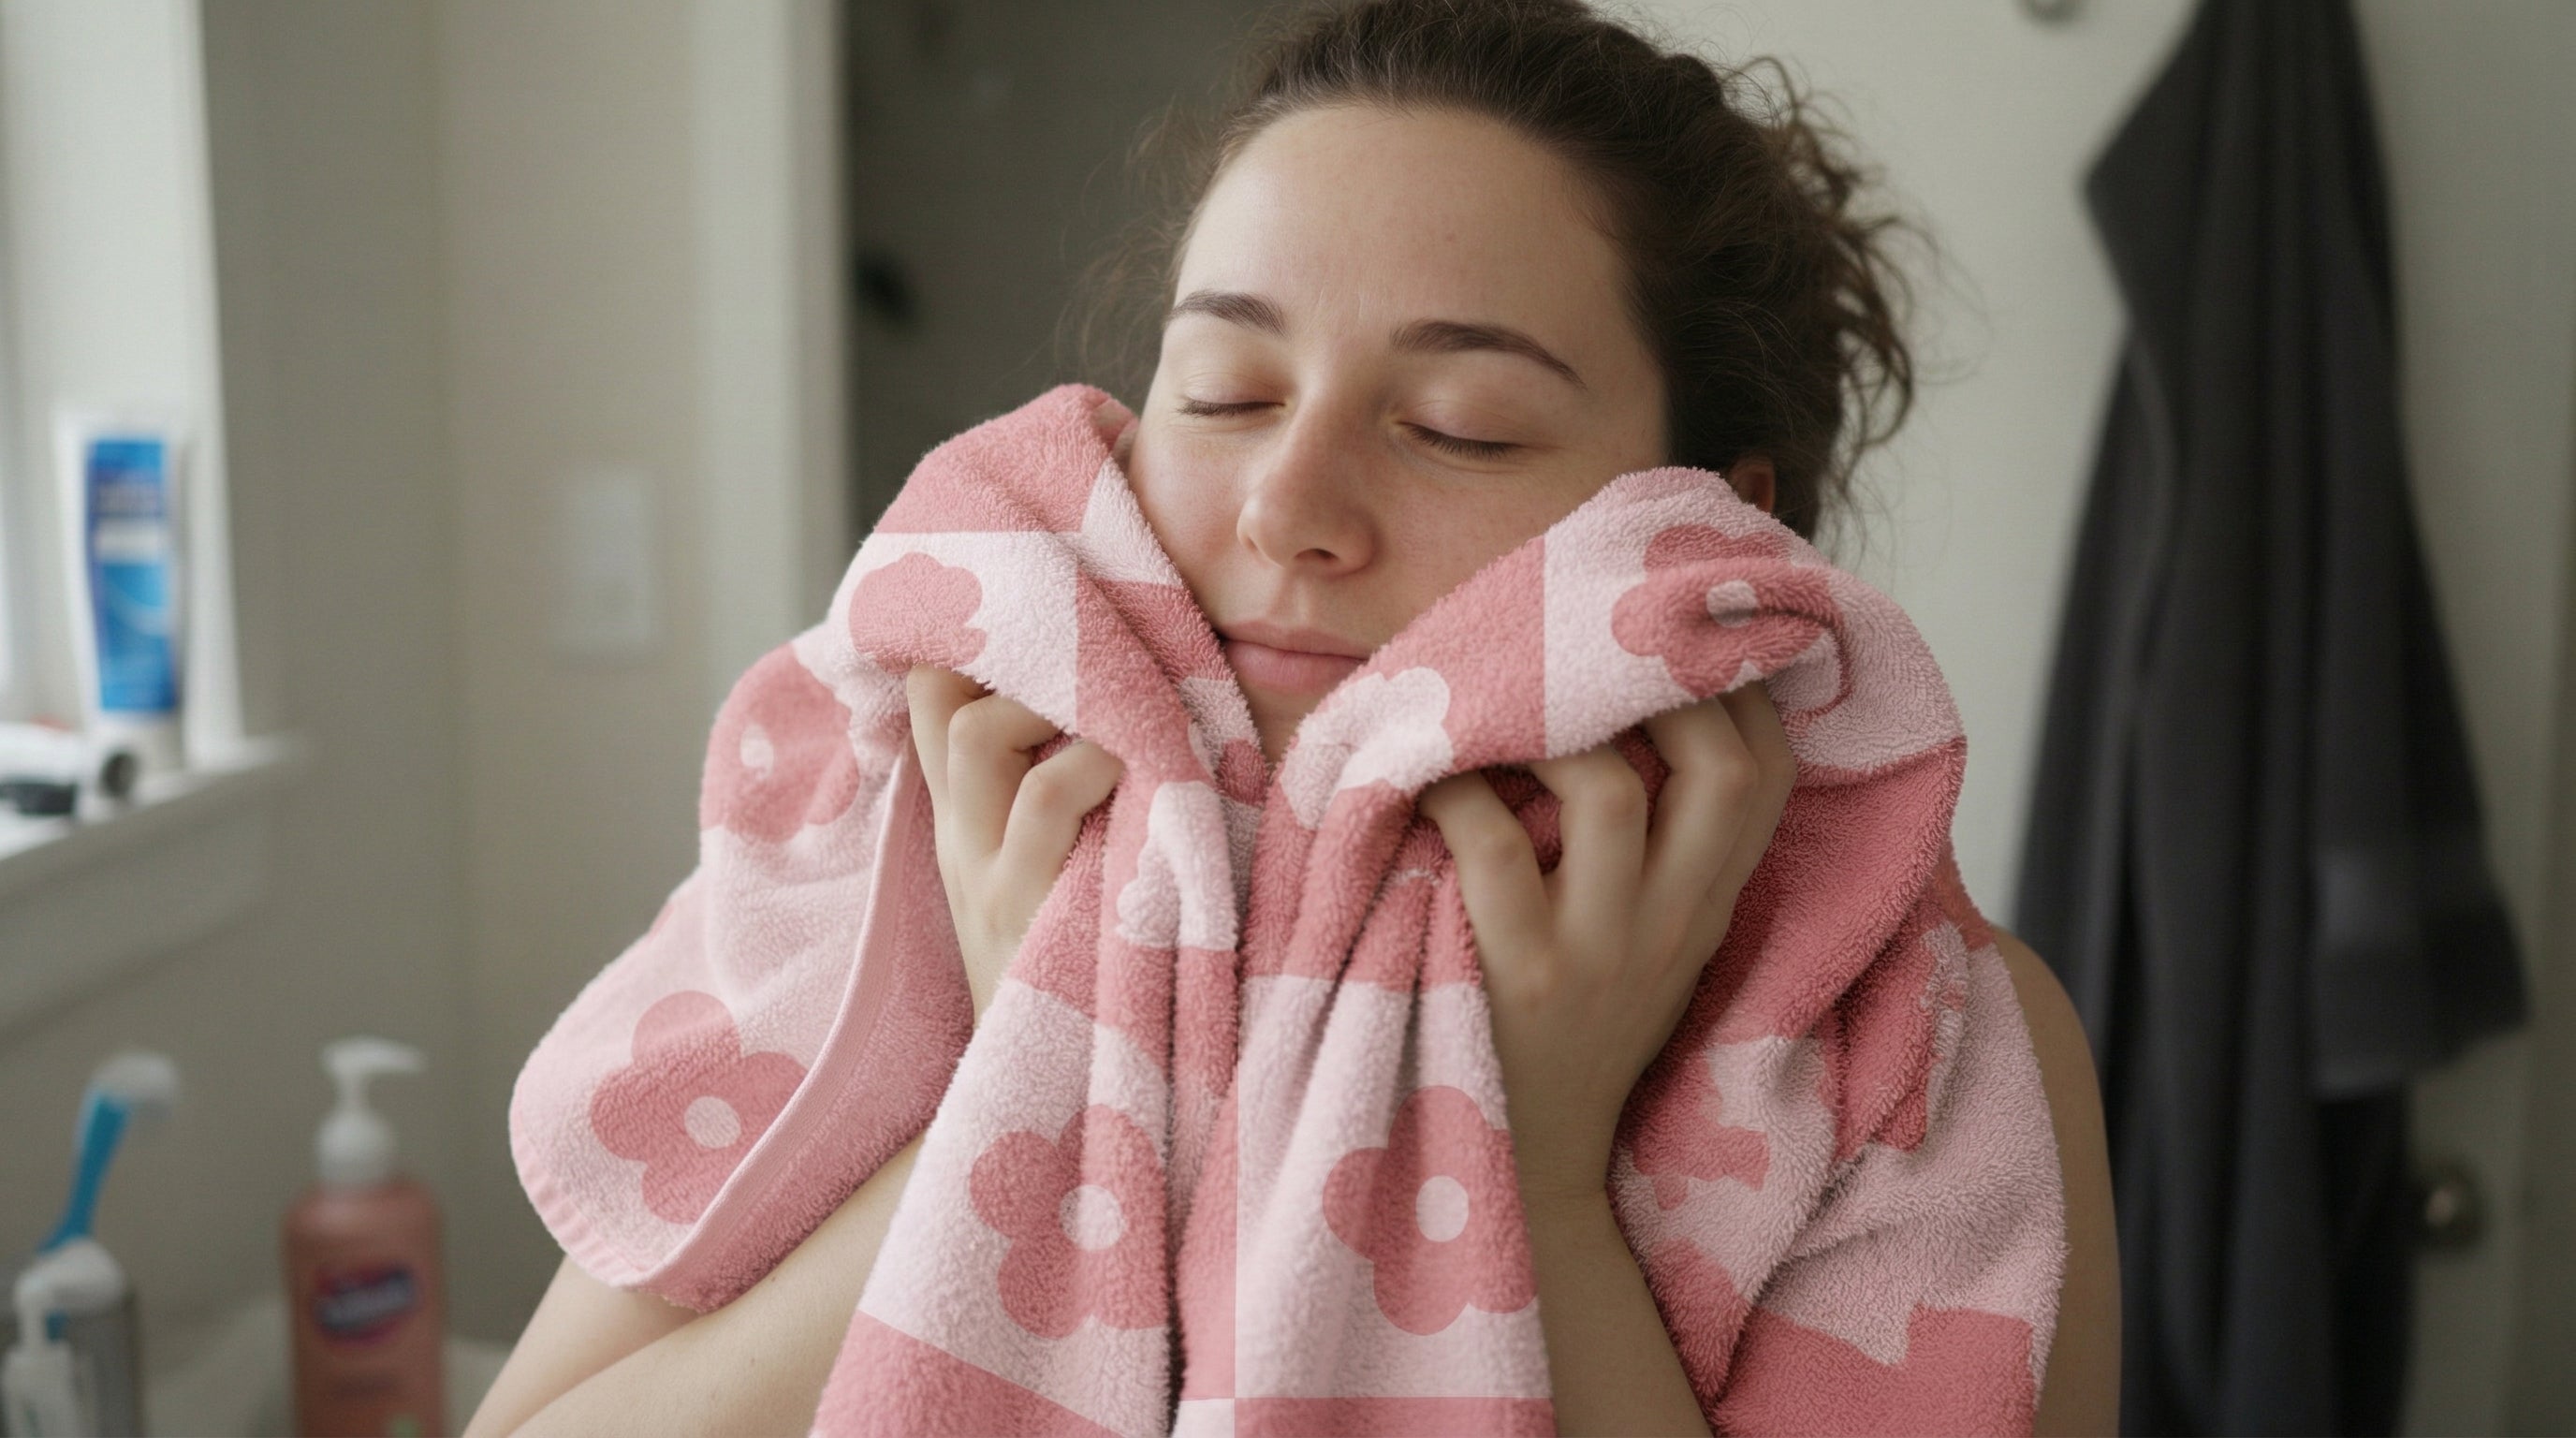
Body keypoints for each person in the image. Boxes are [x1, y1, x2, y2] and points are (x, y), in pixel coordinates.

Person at [468, 1, 2117, 1432]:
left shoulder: (1912, 1037)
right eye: (1227, 393)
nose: (1288, 506)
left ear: (1707, 532)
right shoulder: (891, 854)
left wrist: (1534, 1171)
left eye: (1461, 426)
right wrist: (1030, 1075)